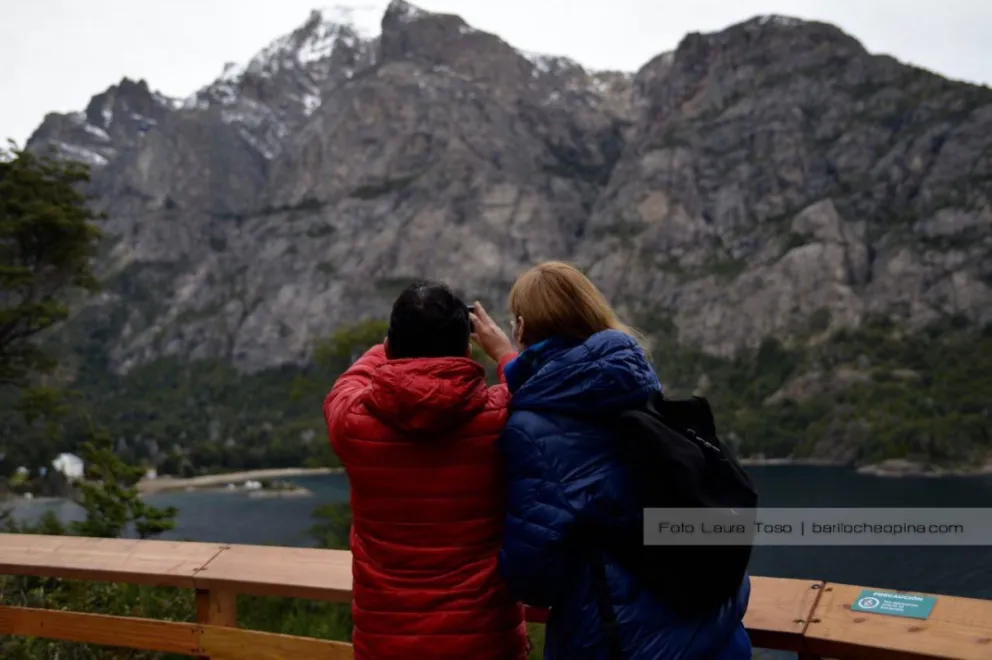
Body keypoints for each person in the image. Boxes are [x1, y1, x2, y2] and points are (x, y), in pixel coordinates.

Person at [470, 261, 752, 659]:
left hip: (623, 642)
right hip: (714, 631)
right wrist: (509, 361)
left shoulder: (529, 429)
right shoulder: (636, 381)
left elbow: (533, 578)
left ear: (520, 328)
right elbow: (568, 381)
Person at [323, 280, 528, 660]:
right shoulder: (505, 415)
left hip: (386, 644)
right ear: (467, 349)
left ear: (389, 347)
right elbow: (544, 391)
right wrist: (502, 352)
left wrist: (388, 346)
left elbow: (348, 382)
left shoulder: (352, 421)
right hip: (484, 642)